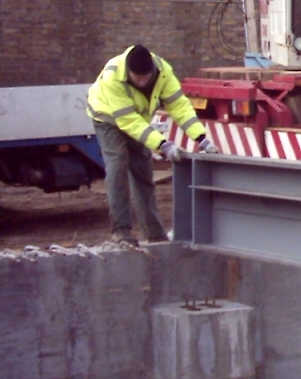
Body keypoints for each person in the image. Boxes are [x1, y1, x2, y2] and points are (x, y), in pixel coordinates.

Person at [86, 44, 217, 243]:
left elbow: (179, 106)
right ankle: (121, 231)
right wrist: (163, 145)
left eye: (145, 77)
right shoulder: (113, 77)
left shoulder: (163, 72)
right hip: (107, 118)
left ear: (152, 71)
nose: (141, 81)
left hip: (138, 119)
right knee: (117, 164)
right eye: (137, 77)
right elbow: (128, 121)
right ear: (129, 72)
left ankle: (154, 234)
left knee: (143, 172)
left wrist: (202, 139)